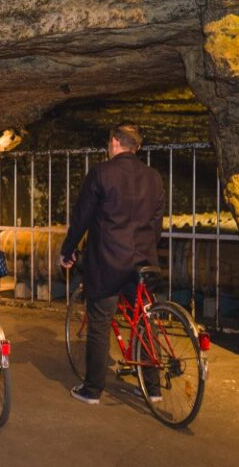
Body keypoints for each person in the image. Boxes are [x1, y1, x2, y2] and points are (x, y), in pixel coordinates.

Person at [59, 123, 164, 405]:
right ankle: (153, 388)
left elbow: (82, 217)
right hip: (142, 261)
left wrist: (67, 250)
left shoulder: (102, 173)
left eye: (109, 142)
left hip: (108, 262)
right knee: (144, 319)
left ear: (115, 142)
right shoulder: (154, 177)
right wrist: (147, 251)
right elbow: (156, 226)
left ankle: (92, 390)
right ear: (136, 147)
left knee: (100, 323)